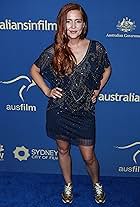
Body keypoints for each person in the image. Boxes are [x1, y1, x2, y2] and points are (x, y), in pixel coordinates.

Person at [30, 3, 111, 204]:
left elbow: (107, 69)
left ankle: (96, 184)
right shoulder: (55, 50)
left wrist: (98, 90)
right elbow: (34, 70)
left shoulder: (96, 48)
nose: (73, 26)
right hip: (59, 112)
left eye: (77, 21)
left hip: (84, 112)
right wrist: (48, 91)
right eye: (68, 21)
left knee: (89, 157)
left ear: (84, 25)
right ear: (62, 25)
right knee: (63, 150)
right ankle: (68, 184)